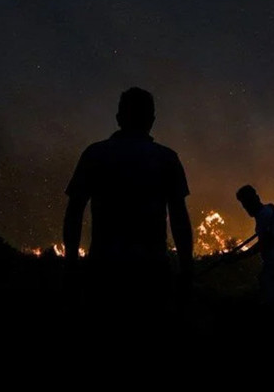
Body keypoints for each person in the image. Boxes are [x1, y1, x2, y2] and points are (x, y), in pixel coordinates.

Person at [62, 87, 194, 321]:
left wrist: (71, 262)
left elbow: (74, 212)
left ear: (119, 118)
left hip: (104, 269)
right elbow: (179, 218)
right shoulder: (166, 158)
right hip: (150, 271)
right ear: (151, 121)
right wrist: (186, 267)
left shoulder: (95, 154)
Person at [233, 185, 274, 311]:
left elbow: (263, 244)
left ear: (256, 199)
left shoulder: (263, 216)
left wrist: (237, 257)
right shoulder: (271, 209)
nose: (246, 208)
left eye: (247, 203)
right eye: (244, 205)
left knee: (269, 305)